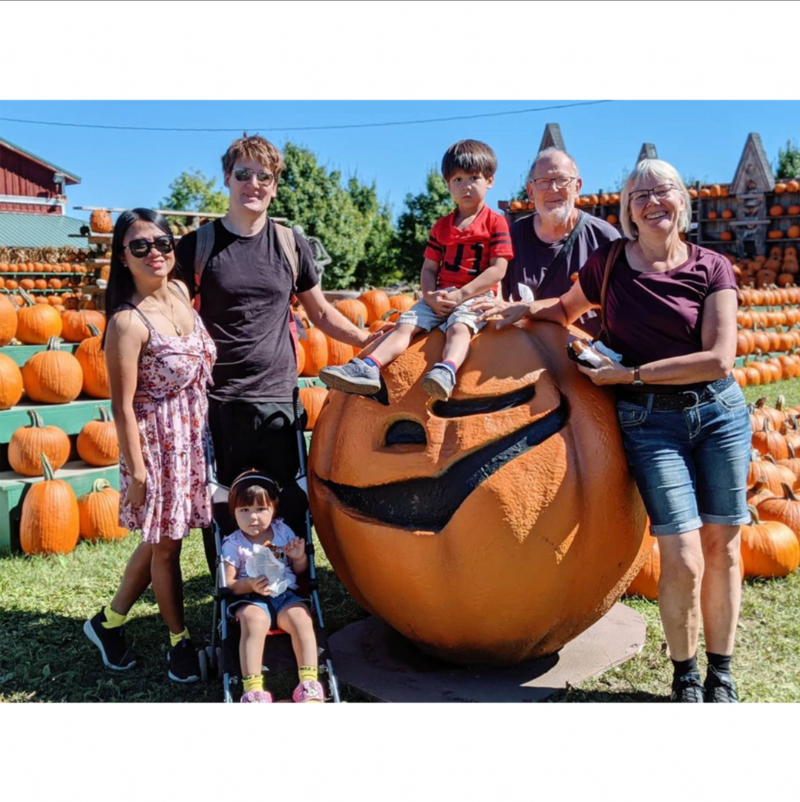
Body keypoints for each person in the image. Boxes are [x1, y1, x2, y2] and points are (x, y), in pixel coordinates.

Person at [478, 159, 749, 703]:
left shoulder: (713, 267)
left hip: (718, 415)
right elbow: (565, 309)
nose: (652, 202)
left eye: (662, 191)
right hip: (651, 423)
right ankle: (686, 675)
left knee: (723, 548)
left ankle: (721, 673)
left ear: (682, 200)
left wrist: (630, 375)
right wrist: (520, 313)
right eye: (639, 195)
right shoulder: (610, 262)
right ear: (628, 210)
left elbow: (719, 359)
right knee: (682, 554)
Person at [173, 135, 375, 552]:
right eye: (243, 174)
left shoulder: (289, 244)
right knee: (228, 500)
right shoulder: (198, 246)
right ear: (227, 178)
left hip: (278, 397)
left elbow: (321, 313)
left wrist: (366, 340)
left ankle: (294, 583)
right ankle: (233, 585)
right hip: (221, 398)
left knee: (288, 499)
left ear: (275, 186)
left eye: (264, 177)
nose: (253, 184)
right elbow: (171, 312)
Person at [83, 209, 217, 682]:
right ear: (123, 257)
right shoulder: (127, 322)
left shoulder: (180, 292)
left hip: (193, 438)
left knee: (162, 539)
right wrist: (138, 473)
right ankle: (179, 642)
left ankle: (108, 622)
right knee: (166, 549)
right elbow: (121, 407)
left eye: (162, 242)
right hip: (157, 446)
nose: (154, 252)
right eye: (140, 246)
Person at [318, 139, 513, 401]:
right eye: (457, 179)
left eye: (473, 178)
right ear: (448, 185)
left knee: (459, 327)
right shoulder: (441, 227)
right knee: (405, 325)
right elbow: (429, 268)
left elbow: (498, 269)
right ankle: (369, 367)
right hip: (441, 294)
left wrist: (462, 294)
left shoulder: (496, 222)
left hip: (476, 295)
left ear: (490, 180)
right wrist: (430, 296)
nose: (465, 186)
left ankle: (446, 370)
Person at [479, 147, 619, 338]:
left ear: (577, 187)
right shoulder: (510, 238)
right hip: (525, 351)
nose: (553, 188)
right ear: (530, 191)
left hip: (590, 351)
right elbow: (495, 297)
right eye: (543, 182)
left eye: (562, 180)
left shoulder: (605, 239)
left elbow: (622, 305)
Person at [221, 471, 323, 703]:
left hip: (285, 594)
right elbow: (229, 584)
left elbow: (299, 571)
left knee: (302, 618)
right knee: (253, 621)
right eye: (244, 510)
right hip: (251, 598)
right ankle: (253, 689)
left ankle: (308, 683)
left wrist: (298, 557)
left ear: (274, 509)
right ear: (233, 512)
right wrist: (249, 584)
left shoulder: (283, 531)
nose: (253, 517)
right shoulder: (234, 544)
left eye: (260, 509)